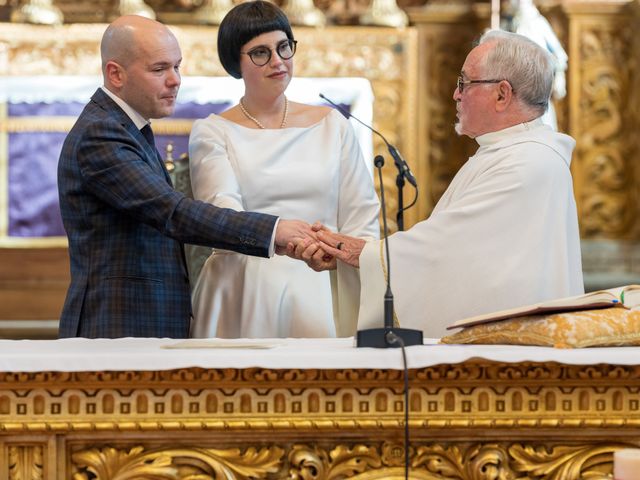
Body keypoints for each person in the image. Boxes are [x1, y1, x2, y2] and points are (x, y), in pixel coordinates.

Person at [294, 30, 584, 338]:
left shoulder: (528, 162)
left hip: (508, 355)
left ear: (502, 94)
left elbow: (446, 253)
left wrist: (360, 254)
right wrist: (355, 258)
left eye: (465, 83)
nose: (456, 95)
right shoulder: (506, 152)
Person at [57, 15, 314, 339]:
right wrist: (274, 230)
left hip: (141, 322)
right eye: (159, 69)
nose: (175, 80)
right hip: (118, 324)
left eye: (177, 66)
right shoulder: (102, 133)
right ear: (115, 73)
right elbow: (172, 212)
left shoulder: (126, 127)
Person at [188, 0, 380, 338]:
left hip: (323, 283)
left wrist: (333, 251)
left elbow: (361, 217)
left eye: (283, 47)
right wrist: (283, 240)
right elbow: (222, 215)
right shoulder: (212, 131)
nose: (277, 61)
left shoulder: (333, 124)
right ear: (236, 62)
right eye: (260, 52)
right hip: (244, 285)